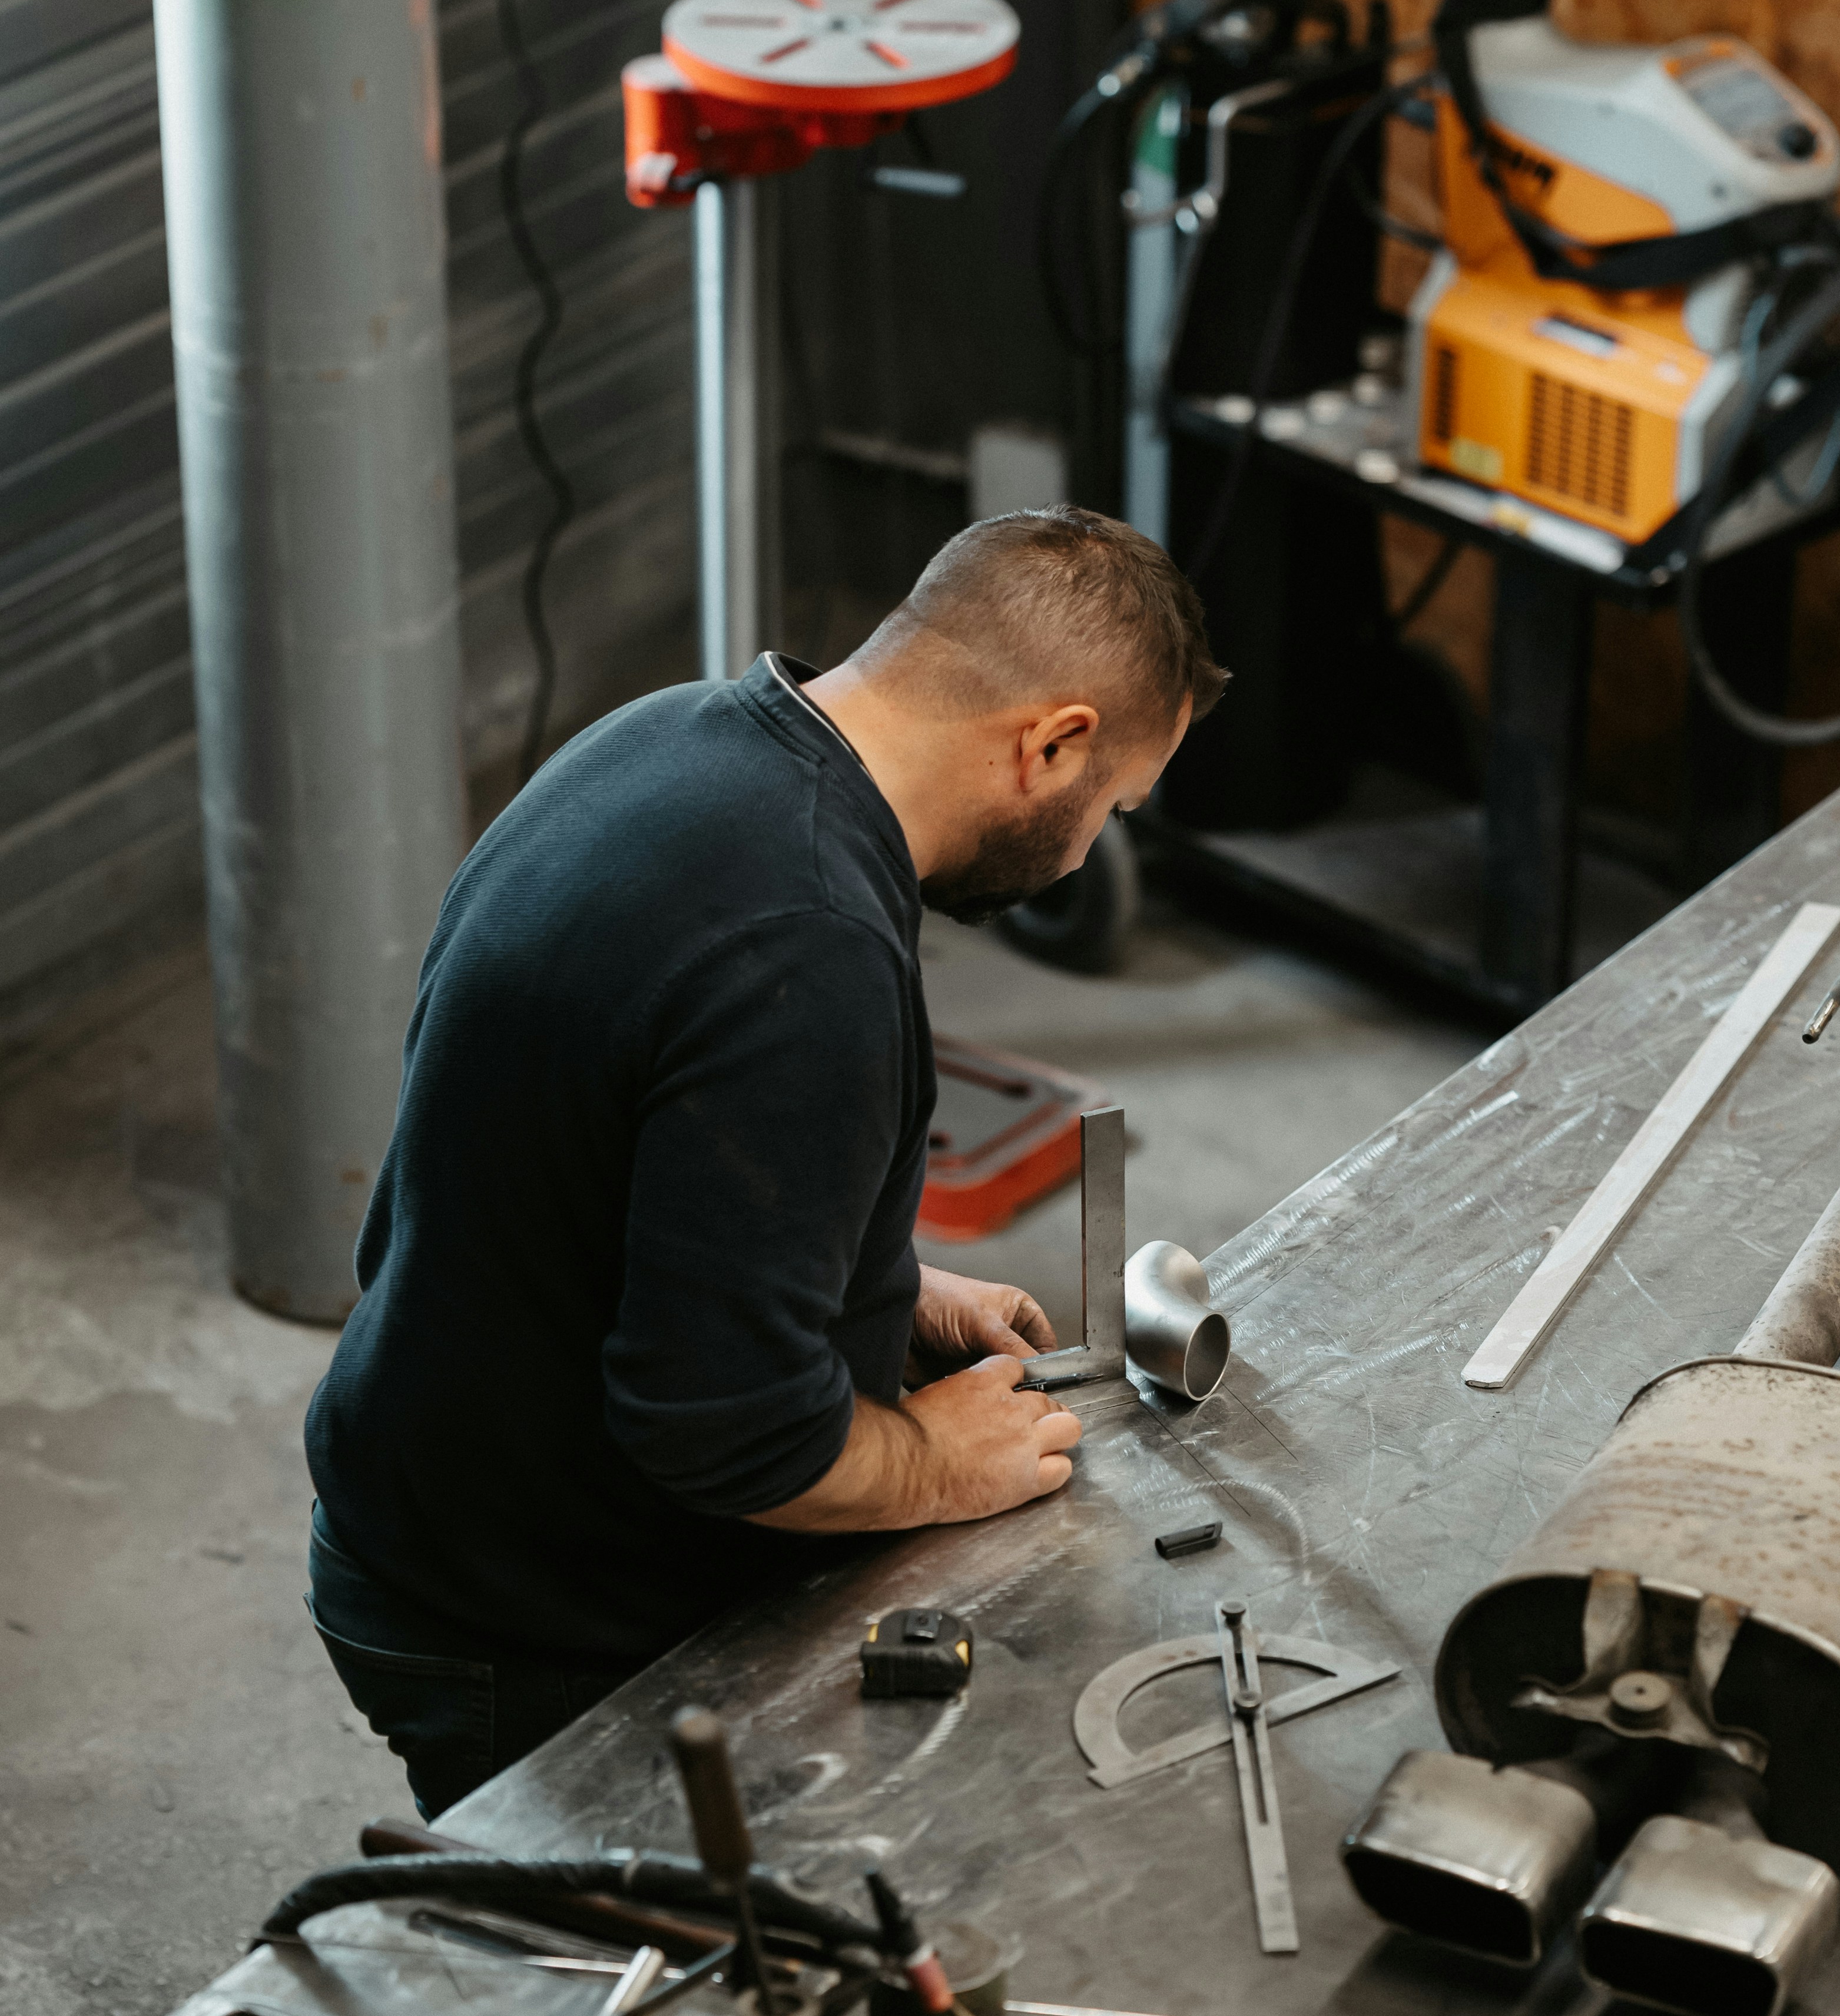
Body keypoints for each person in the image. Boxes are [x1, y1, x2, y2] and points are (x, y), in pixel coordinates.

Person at [304, 507, 1228, 1817]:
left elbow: (595, 1151)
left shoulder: (671, 737)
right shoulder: (811, 947)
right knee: (632, 1934)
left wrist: (870, 1279)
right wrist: (933, 1459)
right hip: (522, 1616)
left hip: (418, 1471)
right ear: (1054, 744)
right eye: (1112, 808)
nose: (1087, 852)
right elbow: (727, 1437)